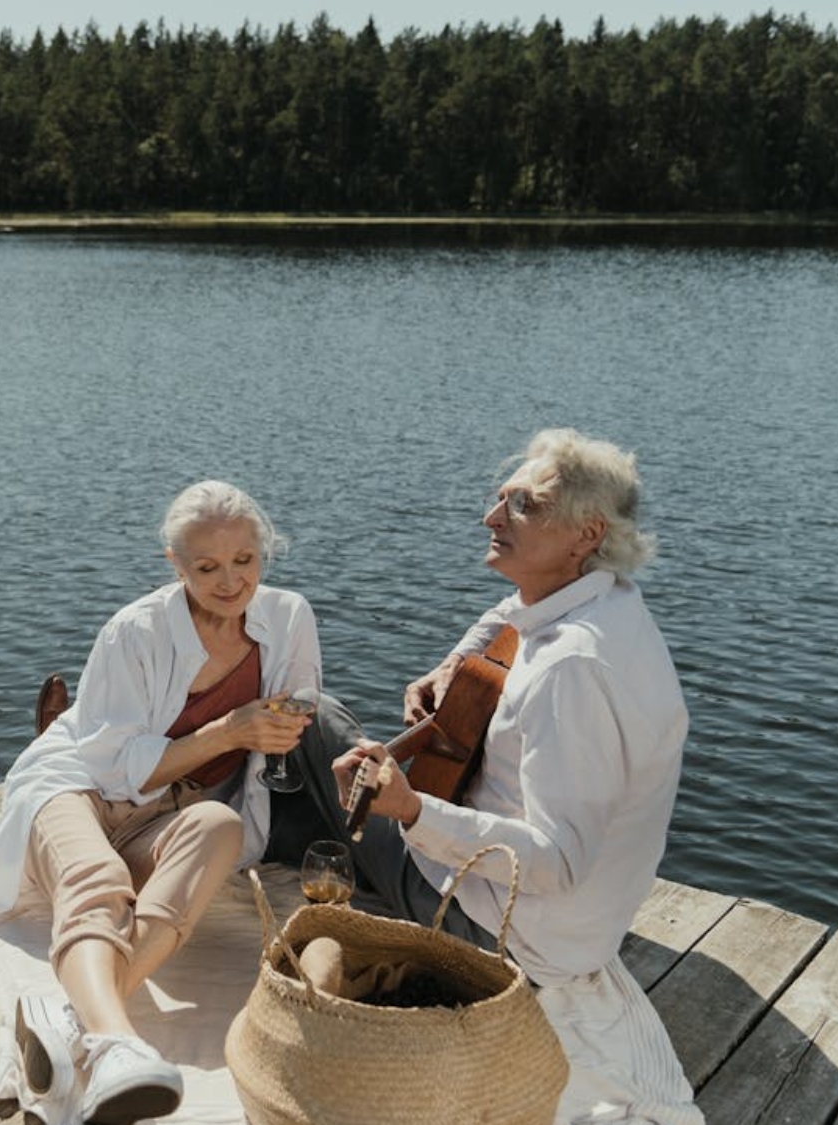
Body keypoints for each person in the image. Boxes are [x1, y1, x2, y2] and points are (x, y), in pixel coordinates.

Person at [268, 427, 701, 1125]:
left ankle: (246, 823)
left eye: (522, 506)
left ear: (585, 532)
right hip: (575, 925)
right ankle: (285, 822)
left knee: (316, 720)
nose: (491, 517)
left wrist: (412, 810)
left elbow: (559, 860)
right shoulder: (605, 600)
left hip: (505, 934)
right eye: (501, 498)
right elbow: (509, 615)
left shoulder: (571, 673)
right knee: (337, 772)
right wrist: (453, 664)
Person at [0, 480, 322, 1125]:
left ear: (264, 554)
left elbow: (296, 710)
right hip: (77, 786)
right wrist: (231, 730)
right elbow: (111, 765)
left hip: (169, 808)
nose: (231, 582)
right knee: (97, 878)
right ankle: (118, 1040)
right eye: (206, 567)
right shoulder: (134, 632)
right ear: (174, 565)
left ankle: (78, 1026)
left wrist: (285, 725)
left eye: (245, 561)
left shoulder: (287, 618)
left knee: (219, 825)